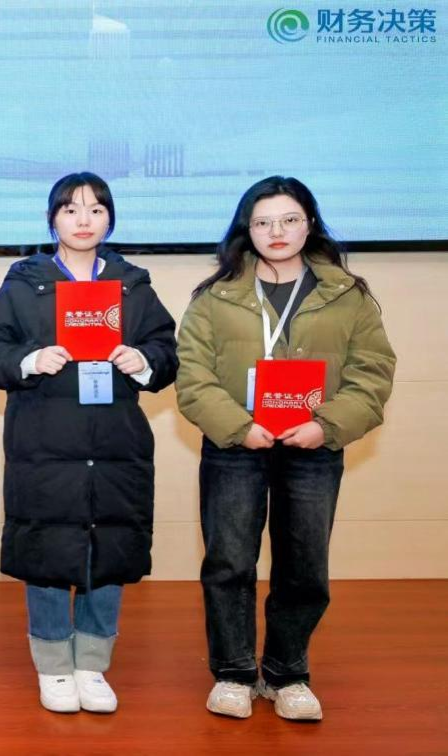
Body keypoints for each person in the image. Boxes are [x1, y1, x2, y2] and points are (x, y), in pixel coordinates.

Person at [176, 176, 395, 721]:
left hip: (314, 447)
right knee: (229, 562)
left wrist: (327, 425)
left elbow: (373, 372)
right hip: (235, 445)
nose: (277, 231)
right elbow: (193, 376)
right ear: (246, 230)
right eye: (263, 222)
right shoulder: (215, 297)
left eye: (289, 219)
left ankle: (286, 673)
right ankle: (232, 673)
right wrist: (238, 426)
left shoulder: (347, 295)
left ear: (310, 223)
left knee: (304, 565)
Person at [0, 172, 178, 714]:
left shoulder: (132, 284)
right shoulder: (26, 282)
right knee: (46, 551)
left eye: (95, 209)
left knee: (108, 549)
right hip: (44, 442)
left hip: (115, 444)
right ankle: (54, 667)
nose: (83, 220)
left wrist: (144, 360)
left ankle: (92, 664)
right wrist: (29, 359)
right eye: (70, 209)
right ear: (51, 220)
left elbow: (166, 351)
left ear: (110, 219)